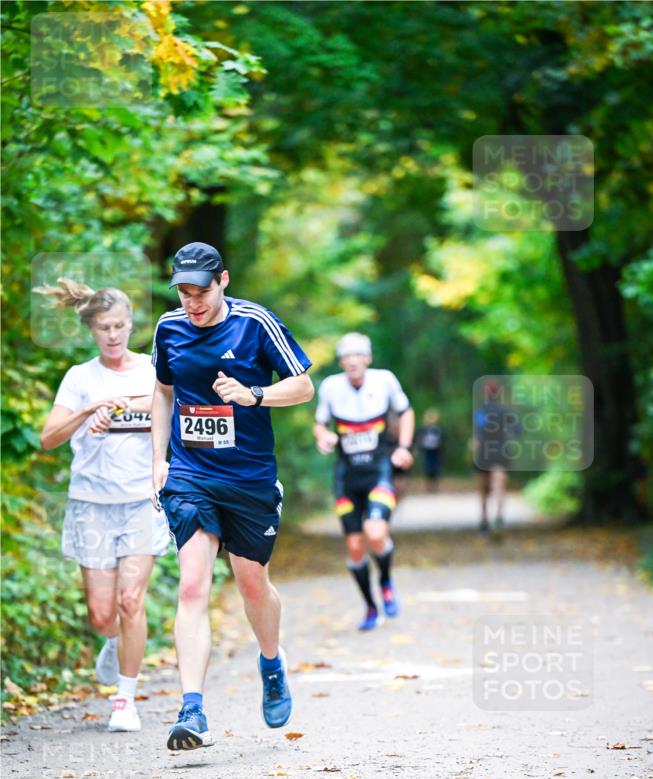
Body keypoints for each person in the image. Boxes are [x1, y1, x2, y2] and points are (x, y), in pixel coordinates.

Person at [151, 242, 313, 752]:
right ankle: (192, 710)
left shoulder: (254, 323)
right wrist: (159, 458)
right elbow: (162, 390)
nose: (191, 302)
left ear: (222, 280)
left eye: (200, 291)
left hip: (248, 478)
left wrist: (255, 394)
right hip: (191, 473)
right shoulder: (168, 328)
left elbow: (304, 386)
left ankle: (271, 662)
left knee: (251, 585)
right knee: (192, 585)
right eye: (183, 292)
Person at [38, 278, 170, 733]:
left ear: (131, 325)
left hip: (140, 502)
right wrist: (88, 410)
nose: (112, 335)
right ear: (91, 330)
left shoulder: (153, 372)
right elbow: (48, 437)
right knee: (101, 615)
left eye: (119, 326)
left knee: (132, 600)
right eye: (103, 328)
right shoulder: (80, 378)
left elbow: (171, 413)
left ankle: (124, 701)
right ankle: (111, 643)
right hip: (91, 504)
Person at [313, 333, 414, 631]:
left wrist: (404, 448)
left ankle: (385, 580)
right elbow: (320, 423)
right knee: (356, 547)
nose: (353, 361)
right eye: (346, 356)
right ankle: (370, 607)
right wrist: (324, 436)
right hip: (346, 477)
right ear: (341, 362)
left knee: (376, 533)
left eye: (358, 356)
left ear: (368, 359)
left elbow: (406, 412)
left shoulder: (384, 381)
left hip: (379, 471)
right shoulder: (331, 387)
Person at [473, 377, 517, 534]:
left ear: (486, 392)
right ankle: (499, 516)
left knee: (483, 487)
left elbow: (478, 432)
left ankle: (484, 520)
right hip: (501, 450)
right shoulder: (505, 411)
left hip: (485, 451)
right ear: (499, 393)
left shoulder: (481, 411)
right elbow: (518, 430)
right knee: (499, 484)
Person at [417, 409, 445, 491]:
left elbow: (442, 440)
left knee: (436, 469)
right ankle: (428, 486)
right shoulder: (423, 429)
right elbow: (419, 439)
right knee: (427, 468)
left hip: (436, 452)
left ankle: (435, 486)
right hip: (427, 451)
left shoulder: (438, 430)